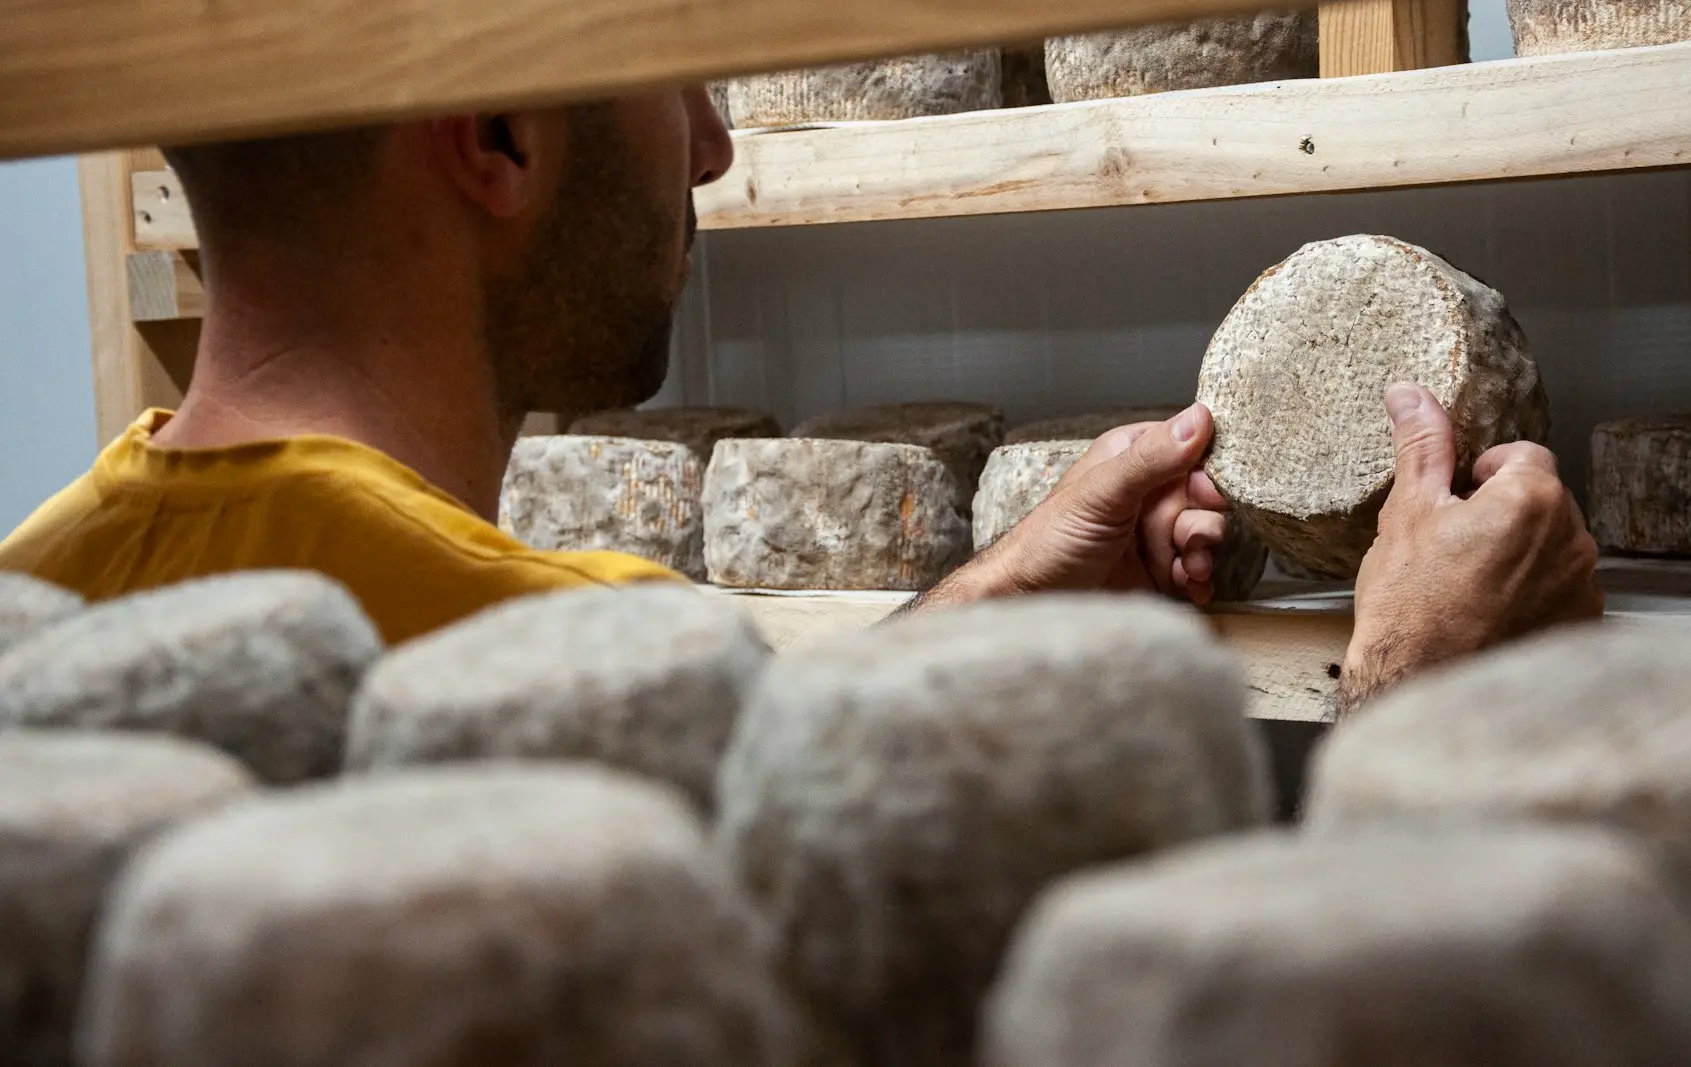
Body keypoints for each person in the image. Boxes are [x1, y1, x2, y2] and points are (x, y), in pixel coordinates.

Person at [0, 87, 1599, 708]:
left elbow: (742, 783)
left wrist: (992, 594)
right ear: (495, 135)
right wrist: (1415, 691)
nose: (710, 144)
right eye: (675, 80)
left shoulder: (45, 585)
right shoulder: (570, 674)